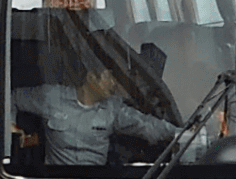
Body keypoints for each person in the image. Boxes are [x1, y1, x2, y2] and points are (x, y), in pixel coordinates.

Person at [13, 52, 180, 167]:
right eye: (109, 77)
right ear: (91, 77)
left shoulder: (113, 109)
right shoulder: (52, 97)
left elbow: (146, 125)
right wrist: (10, 126)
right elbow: (12, 98)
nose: (114, 84)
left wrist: (182, 134)